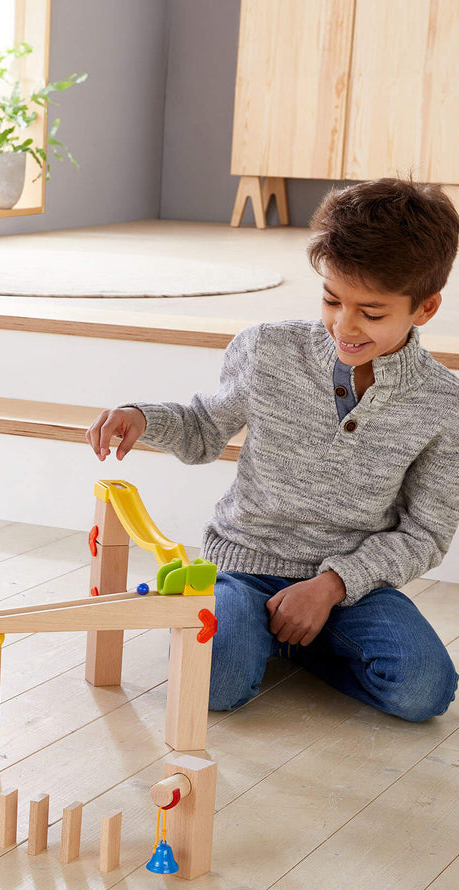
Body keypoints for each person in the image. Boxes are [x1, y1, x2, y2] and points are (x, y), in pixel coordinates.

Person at [86, 177, 459, 723]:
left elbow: (425, 532)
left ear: (424, 308)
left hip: (348, 582)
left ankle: (296, 638)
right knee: (215, 687)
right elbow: (202, 429)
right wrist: (144, 418)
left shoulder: (443, 404)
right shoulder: (268, 348)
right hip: (243, 564)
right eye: (332, 300)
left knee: (423, 692)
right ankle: (259, 633)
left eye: (371, 313)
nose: (344, 326)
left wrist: (331, 587)